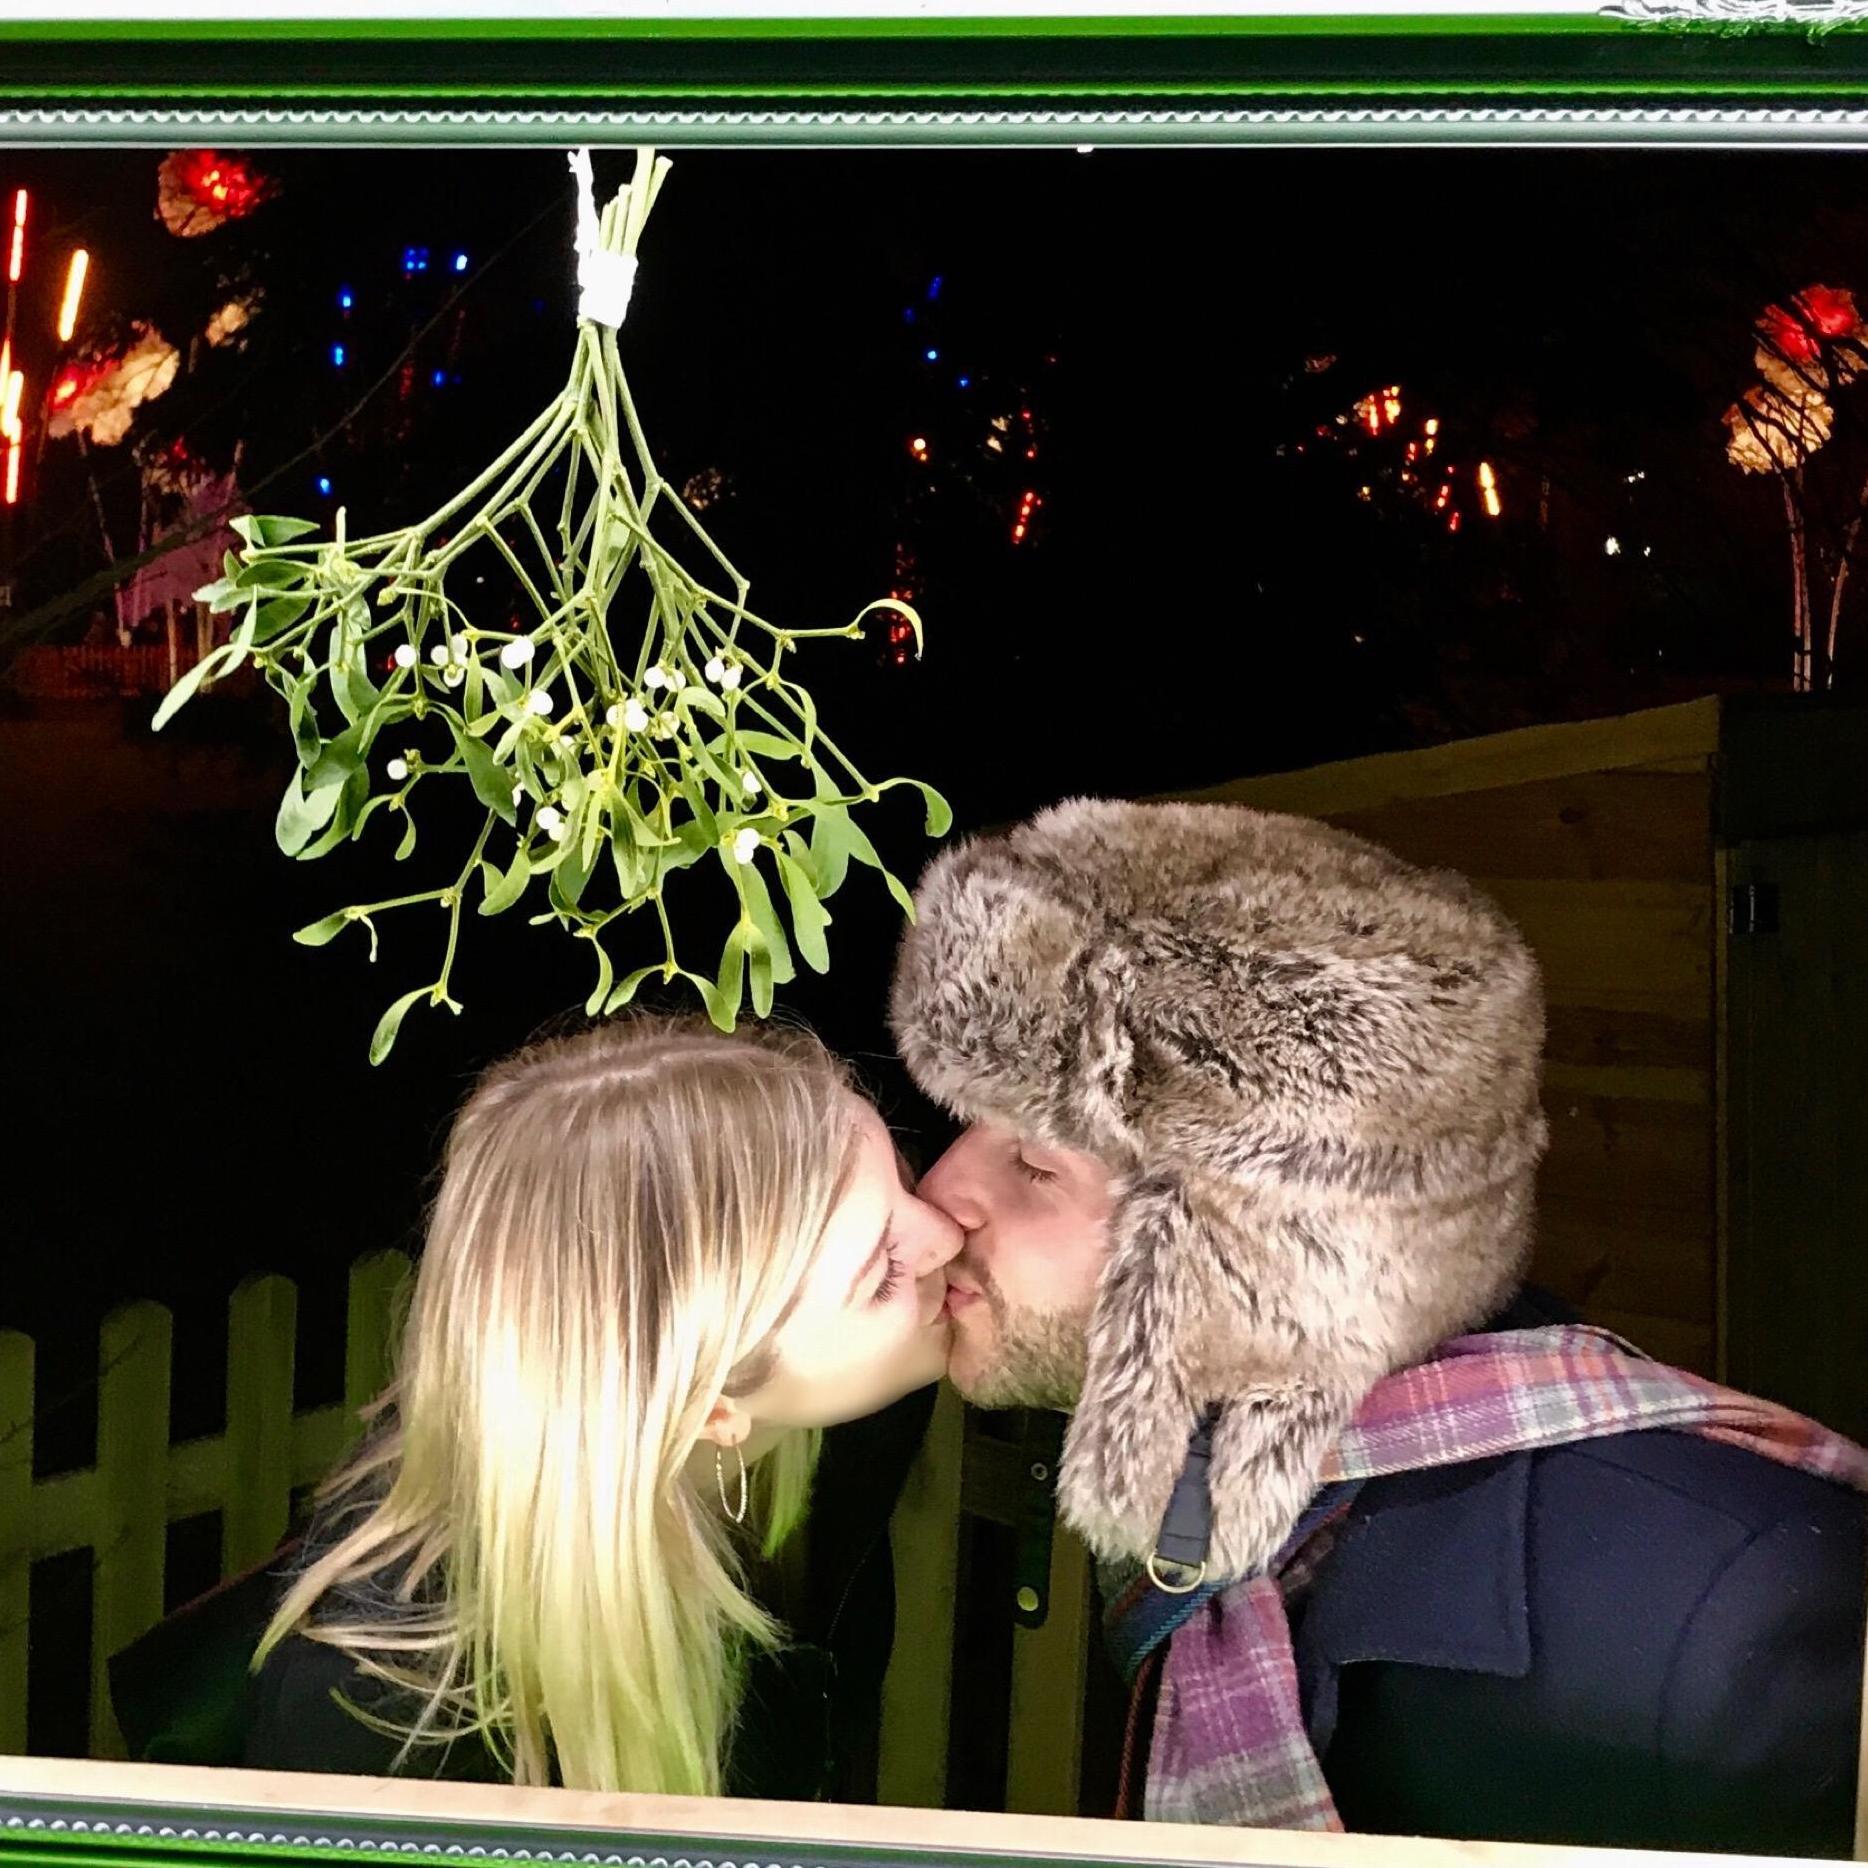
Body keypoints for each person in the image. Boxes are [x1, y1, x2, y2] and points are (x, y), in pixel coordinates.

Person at [891, 796, 1868, 1857]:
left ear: (1258, 1251)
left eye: (1034, 1164)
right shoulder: (1225, 1520)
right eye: (960, 1130)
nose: (940, 1198)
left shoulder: (1725, 1623)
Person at [231, 1014, 961, 1797]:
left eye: (904, 1181)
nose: (945, 1235)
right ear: (707, 1409)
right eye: (881, 1270)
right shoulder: (381, 1717)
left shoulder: (844, 1427)